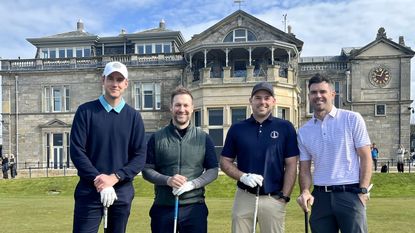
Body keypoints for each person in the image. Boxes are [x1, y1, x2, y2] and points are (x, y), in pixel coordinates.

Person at [70, 61, 147, 233]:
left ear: (126, 84)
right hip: (89, 191)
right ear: (103, 80)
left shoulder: (133, 117)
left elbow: (140, 156)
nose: (115, 84)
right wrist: (100, 181)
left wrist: (115, 178)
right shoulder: (85, 111)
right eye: (111, 78)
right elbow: (77, 152)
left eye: (119, 80)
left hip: (122, 191)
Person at [297, 73, 372, 233]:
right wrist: (304, 191)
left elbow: (366, 157)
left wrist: (363, 191)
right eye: (313, 92)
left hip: (350, 193)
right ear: (309, 96)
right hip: (320, 196)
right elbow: (304, 169)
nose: (318, 96)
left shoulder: (352, 119)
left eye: (322, 91)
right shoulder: (303, 131)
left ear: (332, 94)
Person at [220, 82, 299, 233]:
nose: (262, 102)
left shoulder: (285, 127)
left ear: (273, 101)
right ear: (251, 101)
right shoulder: (237, 128)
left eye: (267, 98)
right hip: (244, 197)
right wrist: (243, 176)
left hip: (273, 197)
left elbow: (291, 164)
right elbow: (224, 161)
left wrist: (284, 197)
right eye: (257, 98)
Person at [142, 86, 218, 233]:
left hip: (194, 207)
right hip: (164, 207)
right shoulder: (157, 137)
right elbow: (146, 170)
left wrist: (193, 184)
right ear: (171, 107)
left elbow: (213, 170)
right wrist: (168, 180)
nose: (181, 109)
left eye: (185, 105)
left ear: (192, 108)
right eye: (177, 105)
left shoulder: (203, 138)